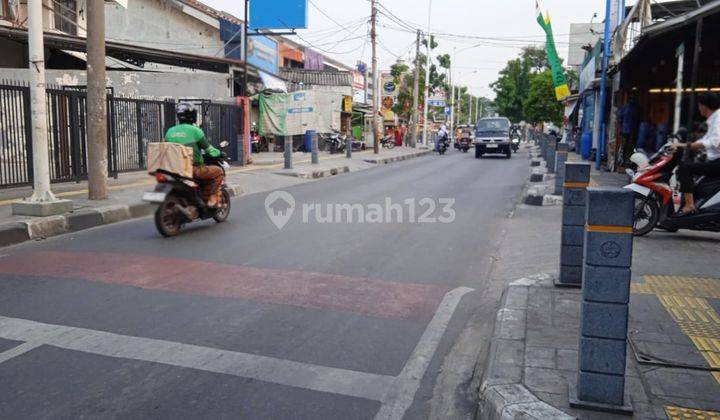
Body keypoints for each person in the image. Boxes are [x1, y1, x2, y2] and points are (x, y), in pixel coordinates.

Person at [165, 102, 224, 207]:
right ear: (193, 116)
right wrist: (219, 152)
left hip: (173, 170)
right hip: (192, 169)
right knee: (219, 172)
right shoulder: (196, 131)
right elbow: (209, 149)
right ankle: (212, 198)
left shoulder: (170, 131)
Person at [671, 93, 720, 215]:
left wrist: (684, 145)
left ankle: (689, 205)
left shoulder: (718, 119)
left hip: (718, 162)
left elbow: (713, 141)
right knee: (696, 181)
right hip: (713, 160)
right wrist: (689, 144)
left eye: (699, 105)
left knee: (685, 168)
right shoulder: (713, 119)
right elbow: (705, 140)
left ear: (704, 106)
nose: (698, 108)